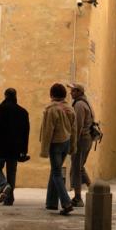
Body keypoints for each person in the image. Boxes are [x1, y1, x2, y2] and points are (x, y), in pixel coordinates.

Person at [0, 88, 30, 206]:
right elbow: (25, 133)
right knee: (12, 172)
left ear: (5, 96)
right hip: (15, 148)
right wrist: (24, 151)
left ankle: (4, 185)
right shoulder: (23, 112)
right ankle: (9, 199)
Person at [40, 83, 77, 215]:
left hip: (55, 144)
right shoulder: (70, 109)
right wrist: (73, 146)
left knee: (56, 173)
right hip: (66, 143)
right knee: (54, 171)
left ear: (51, 95)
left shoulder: (51, 110)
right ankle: (51, 203)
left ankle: (66, 203)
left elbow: (47, 131)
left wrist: (44, 149)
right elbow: (74, 129)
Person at [68, 83, 93, 207]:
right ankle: (94, 190)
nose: (70, 93)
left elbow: (77, 126)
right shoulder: (85, 103)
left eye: (73, 91)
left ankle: (78, 198)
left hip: (81, 140)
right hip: (86, 139)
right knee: (80, 167)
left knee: (76, 169)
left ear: (79, 92)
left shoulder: (79, 105)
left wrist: (73, 143)